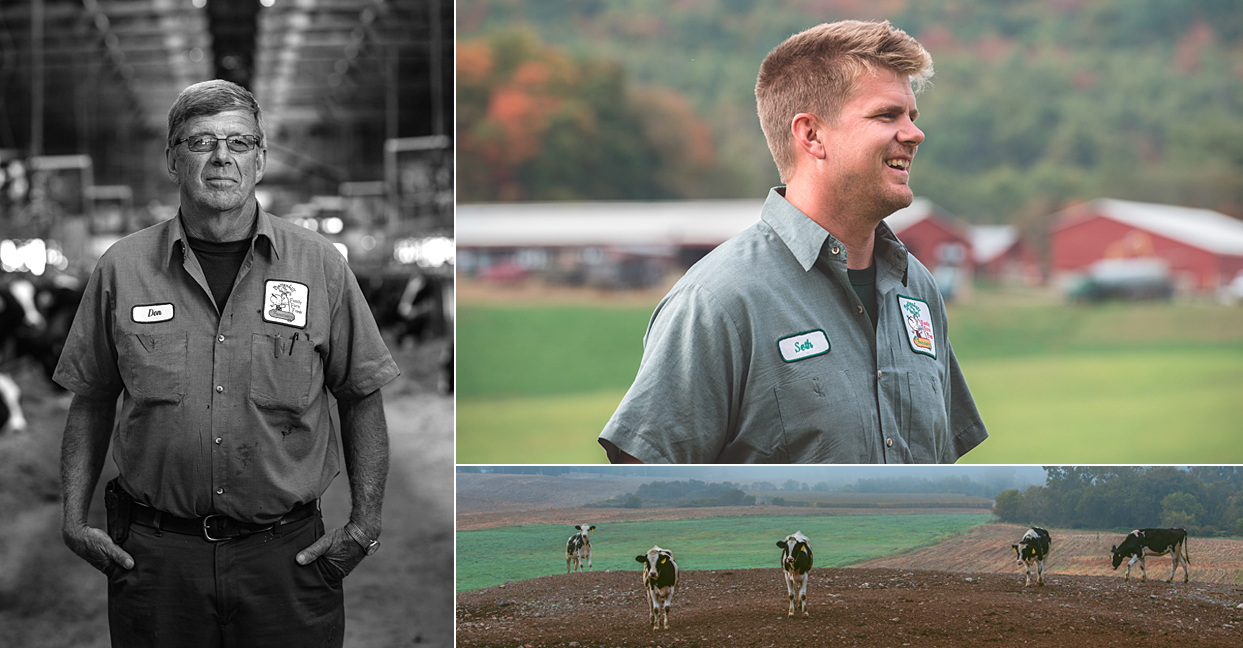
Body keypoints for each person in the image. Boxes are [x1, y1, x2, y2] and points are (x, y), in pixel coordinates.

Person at [54, 79, 400, 647]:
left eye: (239, 143)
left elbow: (361, 394)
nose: (221, 158)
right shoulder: (122, 270)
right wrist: (73, 518)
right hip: (159, 563)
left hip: (286, 562)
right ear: (172, 158)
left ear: (261, 159)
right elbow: (90, 399)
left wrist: (365, 525)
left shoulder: (320, 267)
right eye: (201, 143)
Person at [598, 20, 987, 464]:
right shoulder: (718, 301)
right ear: (812, 135)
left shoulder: (917, 288)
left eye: (912, 117)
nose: (915, 133)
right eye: (887, 115)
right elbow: (646, 485)